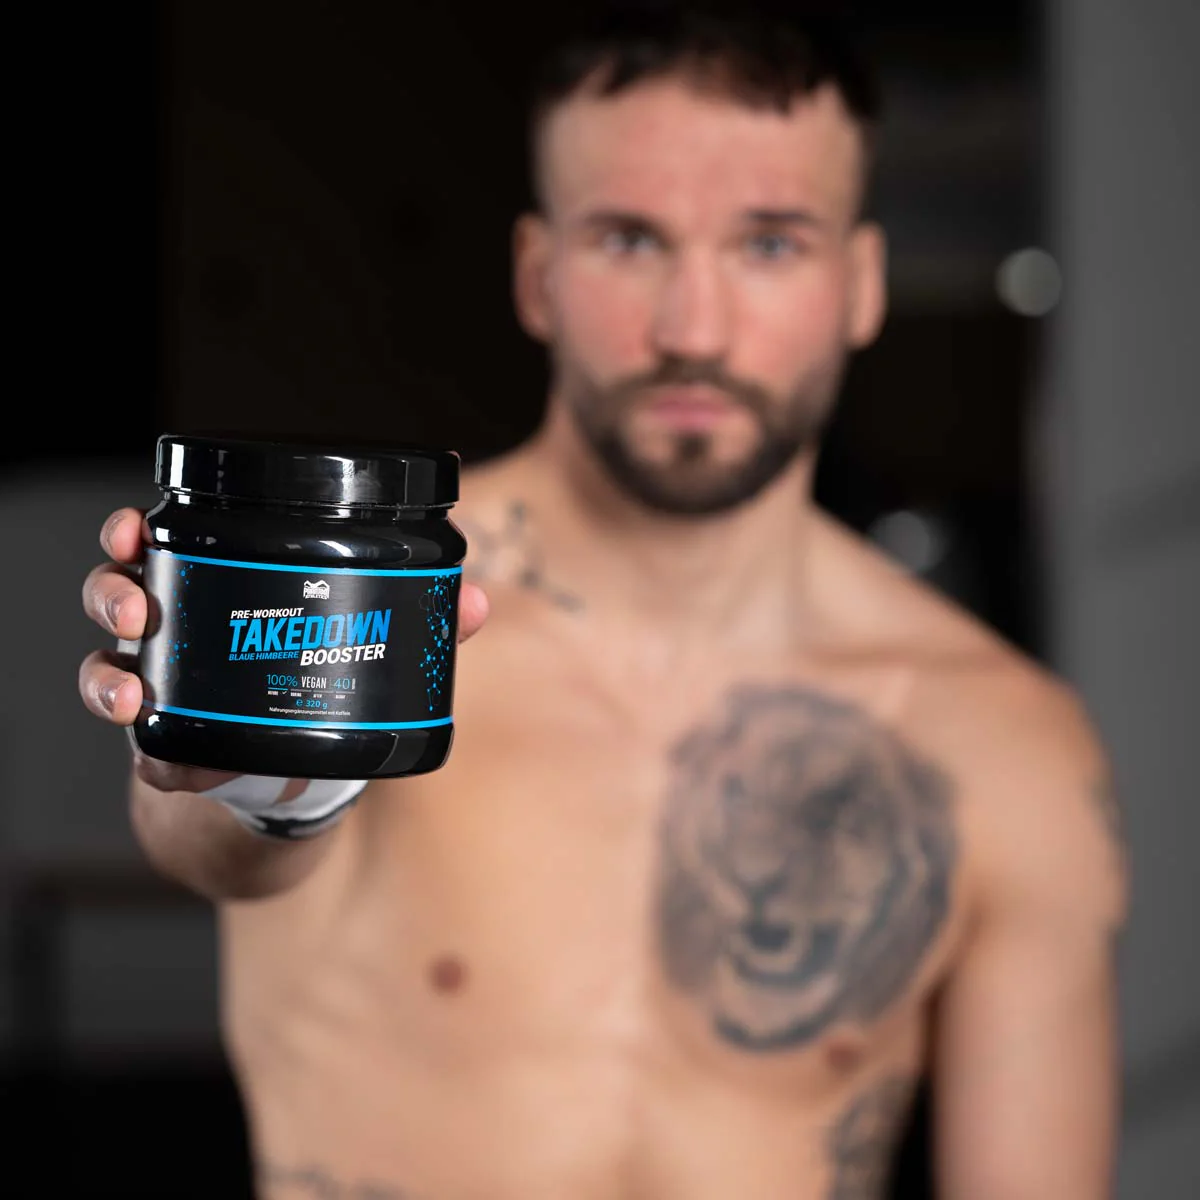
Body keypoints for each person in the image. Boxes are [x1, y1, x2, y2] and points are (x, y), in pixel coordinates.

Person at [79, 6, 1127, 1197]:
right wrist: (264, 773)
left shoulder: (1005, 745)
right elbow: (215, 839)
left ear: (861, 283)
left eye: (770, 243)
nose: (693, 329)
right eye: (630, 240)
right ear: (539, 276)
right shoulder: (390, 607)